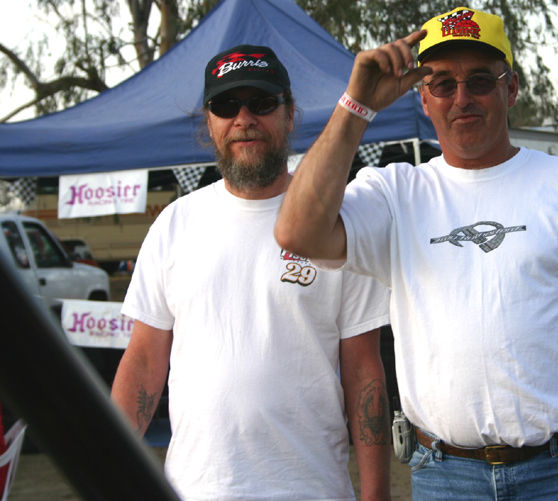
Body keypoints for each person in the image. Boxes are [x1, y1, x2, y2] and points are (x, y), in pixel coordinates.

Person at [274, 7, 558, 500]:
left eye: (479, 80)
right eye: (442, 84)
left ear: (510, 88)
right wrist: (357, 104)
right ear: (423, 98)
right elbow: (297, 232)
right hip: (447, 477)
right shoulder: (396, 194)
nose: (462, 98)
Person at [111, 44, 392, 501]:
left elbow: (363, 369)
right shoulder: (174, 224)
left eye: (261, 103)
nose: (243, 119)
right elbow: (143, 362)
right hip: (194, 490)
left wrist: (376, 495)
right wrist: (110, 473)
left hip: (309, 491)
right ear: (208, 122)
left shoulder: (338, 225)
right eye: (225, 105)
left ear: (290, 114)